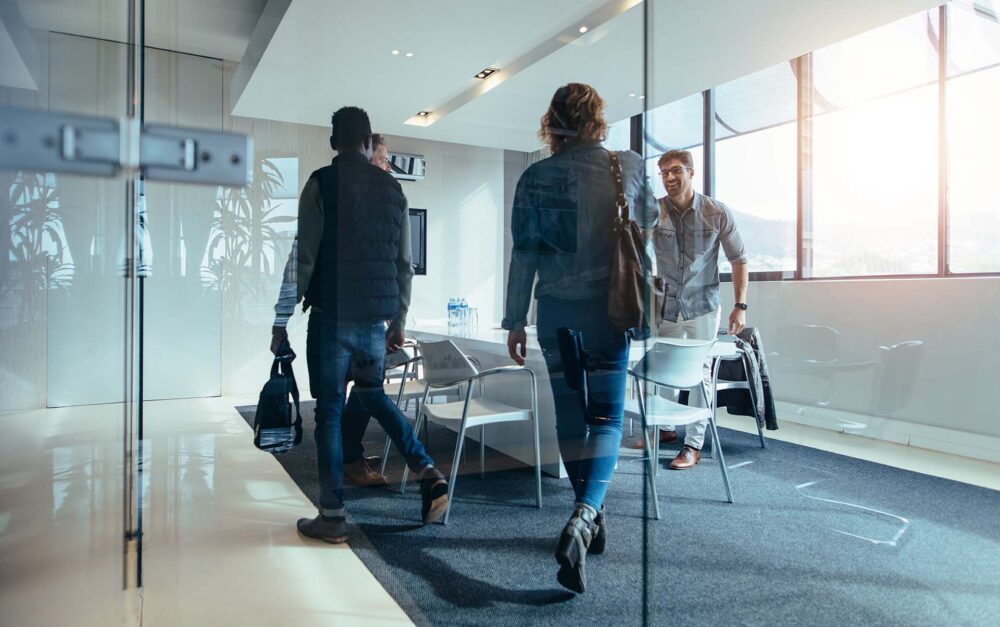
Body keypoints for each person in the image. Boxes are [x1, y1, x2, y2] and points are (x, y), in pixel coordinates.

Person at [270, 106, 448, 543]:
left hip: (331, 322)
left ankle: (332, 516)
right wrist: (399, 321)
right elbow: (404, 264)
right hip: (374, 324)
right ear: (369, 143)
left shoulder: (320, 184)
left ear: (334, 142)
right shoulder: (393, 190)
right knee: (373, 397)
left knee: (330, 413)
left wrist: (280, 320)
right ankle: (426, 469)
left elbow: (304, 260)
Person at [503, 83, 655, 594]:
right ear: (597, 120)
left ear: (553, 122)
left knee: (570, 417)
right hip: (608, 311)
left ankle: (588, 512)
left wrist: (514, 320)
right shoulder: (627, 167)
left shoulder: (534, 177)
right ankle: (586, 514)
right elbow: (645, 230)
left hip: (555, 313)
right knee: (608, 418)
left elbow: (523, 255)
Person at [648, 149, 749, 470]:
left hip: (703, 307)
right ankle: (663, 431)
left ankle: (693, 445)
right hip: (665, 306)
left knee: (697, 374)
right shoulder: (653, 211)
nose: (669, 178)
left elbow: (739, 260)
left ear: (691, 173)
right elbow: (634, 254)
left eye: (676, 170)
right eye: (663, 173)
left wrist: (740, 306)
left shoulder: (715, 213)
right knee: (660, 370)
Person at [338, 131, 397, 488]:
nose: (388, 166)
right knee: (364, 388)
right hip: (357, 314)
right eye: (383, 159)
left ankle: (348, 454)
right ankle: (348, 459)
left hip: (370, 313)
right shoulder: (362, 201)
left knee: (362, 388)